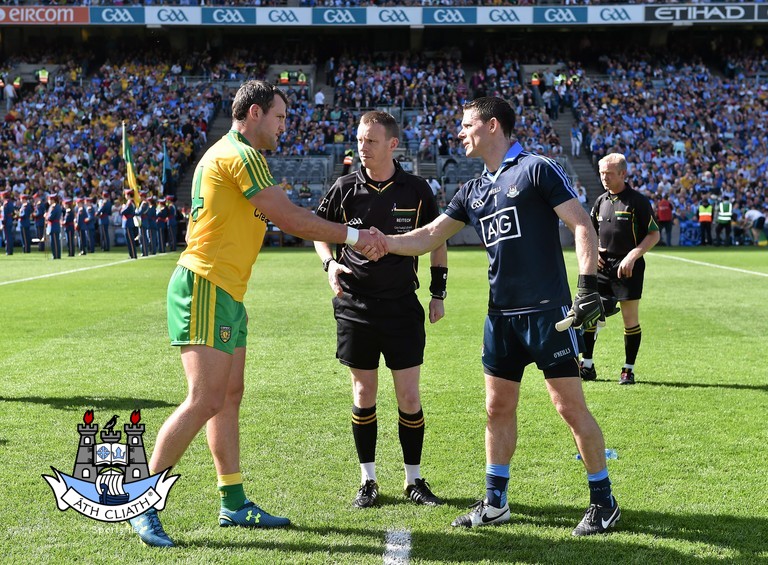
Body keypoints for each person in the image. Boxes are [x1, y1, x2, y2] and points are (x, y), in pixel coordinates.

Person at [128, 79, 385, 548]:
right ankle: (141, 500)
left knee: (228, 398)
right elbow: (289, 218)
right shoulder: (239, 156)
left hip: (226, 291)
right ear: (253, 114)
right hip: (205, 285)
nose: (284, 126)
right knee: (205, 399)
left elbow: (286, 214)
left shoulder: (242, 156)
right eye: (279, 116)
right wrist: (352, 235)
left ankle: (233, 503)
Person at [380, 97, 618, 536]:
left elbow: (582, 224)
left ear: (492, 126)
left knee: (568, 406)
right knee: (496, 407)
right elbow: (429, 236)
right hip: (500, 317)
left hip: (547, 313)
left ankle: (603, 502)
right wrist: (380, 241)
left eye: (467, 124)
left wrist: (586, 288)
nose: (460, 132)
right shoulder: (472, 190)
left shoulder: (536, 169)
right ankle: (496, 501)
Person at [314, 111, 448, 510]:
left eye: (370, 141)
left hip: (402, 305)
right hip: (355, 305)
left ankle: (414, 479)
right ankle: (368, 480)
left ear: (392, 144)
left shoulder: (417, 190)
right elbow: (318, 231)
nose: (362, 147)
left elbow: (438, 240)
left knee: (409, 395)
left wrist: (438, 293)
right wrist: (329, 265)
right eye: (359, 140)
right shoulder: (343, 188)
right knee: (363, 391)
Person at [579, 153, 660, 385]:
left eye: (609, 173)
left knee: (629, 319)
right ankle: (587, 364)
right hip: (602, 267)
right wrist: (594, 254)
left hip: (628, 268)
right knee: (589, 315)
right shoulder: (601, 201)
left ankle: (628, 368)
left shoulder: (638, 202)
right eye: (602, 173)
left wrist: (633, 255)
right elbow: (590, 233)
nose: (604, 177)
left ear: (623, 174)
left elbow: (654, 234)